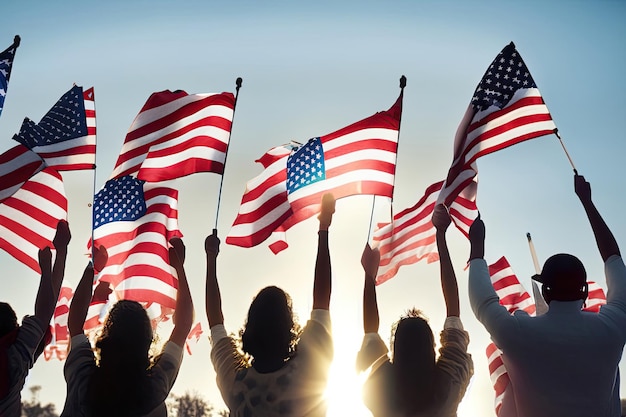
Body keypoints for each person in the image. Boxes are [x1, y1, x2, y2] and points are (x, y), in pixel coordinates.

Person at [468, 175, 626, 417]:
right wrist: (587, 202)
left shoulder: (519, 334)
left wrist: (476, 247)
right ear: (584, 290)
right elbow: (614, 260)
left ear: (544, 291)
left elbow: (482, 301)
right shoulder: (612, 329)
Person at [206, 193, 335, 417]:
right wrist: (324, 227)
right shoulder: (307, 375)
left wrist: (210, 259)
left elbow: (215, 322)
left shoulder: (236, 387)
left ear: (250, 328)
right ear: (289, 327)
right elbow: (322, 300)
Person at [356, 204, 473, 416]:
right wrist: (440, 235)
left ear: (395, 349)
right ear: (432, 346)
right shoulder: (448, 387)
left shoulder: (380, 392)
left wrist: (369, 277)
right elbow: (453, 312)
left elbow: (370, 332)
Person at [60, 237, 194, 417]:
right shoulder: (154, 387)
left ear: (106, 337)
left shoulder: (83, 378)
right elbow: (183, 326)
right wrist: (178, 268)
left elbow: (75, 323)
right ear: (148, 341)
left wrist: (94, 267)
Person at [0, 219, 71, 417]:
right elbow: (45, 310)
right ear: (14, 332)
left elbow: (45, 310)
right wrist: (56, 258)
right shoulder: (14, 360)